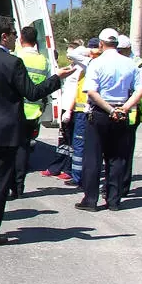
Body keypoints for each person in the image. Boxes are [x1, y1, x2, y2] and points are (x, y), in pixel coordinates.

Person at [0, 16, 73, 244]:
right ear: (4, 36)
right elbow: (32, 92)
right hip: (5, 133)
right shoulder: (12, 63)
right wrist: (56, 78)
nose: (15, 39)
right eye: (13, 34)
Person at [75, 28, 142, 212]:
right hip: (121, 113)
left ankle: (90, 199)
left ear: (101, 44)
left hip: (100, 113)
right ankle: (114, 200)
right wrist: (124, 108)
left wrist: (109, 109)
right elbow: (140, 89)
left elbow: (91, 92)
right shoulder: (130, 64)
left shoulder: (96, 64)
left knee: (93, 157)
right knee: (117, 158)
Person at [11, 25, 49, 198]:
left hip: (15, 110)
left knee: (10, 149)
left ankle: (10, 184)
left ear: (21, 40)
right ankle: (19, 186)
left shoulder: (16, 57)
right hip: (34, 110)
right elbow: (46, 86)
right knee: (23, 149)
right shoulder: (43, 60)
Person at [42, 39, 87, 179]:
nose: (68, 54)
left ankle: (69, 169)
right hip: (64, 105)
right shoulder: (69, 67)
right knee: (63, 139)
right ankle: (56, 167)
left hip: (72, 107)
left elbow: (77, 92)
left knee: (73, 141)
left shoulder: (81, 69)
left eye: (70, 51)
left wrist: (69, 110)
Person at [117, 34, 142, 195]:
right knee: (111, 151)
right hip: (112, 110)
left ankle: (122, 186)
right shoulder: (115, 61)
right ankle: (112, 184)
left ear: (126, 49)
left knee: (124, 151)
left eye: (119, 50)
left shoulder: (139, 65)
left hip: (130, 112)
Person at [69, 38, 101, 185]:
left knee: (80, 145)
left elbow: (74, 54)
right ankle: (84, 175)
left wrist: (91, 51)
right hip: (92, 109)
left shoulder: (91, 63)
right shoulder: (100, 63)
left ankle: (78, 177)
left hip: (84, 111)